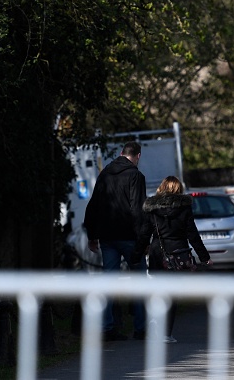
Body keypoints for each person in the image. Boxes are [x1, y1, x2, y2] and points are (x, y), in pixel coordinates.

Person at [134, 176, 213, 343]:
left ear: (162, 187)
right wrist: (204, 257)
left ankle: (154, 320)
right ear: (179, 189)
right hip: (178, 255)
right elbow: (192, 234)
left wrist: (135, 255)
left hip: (157, 254)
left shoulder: (152, 208)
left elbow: (144, 234)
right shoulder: (184, 208)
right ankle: (166, 333)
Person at [84, 141, 147, 341]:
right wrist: (142, 240)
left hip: (107, 237)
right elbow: (137, 210)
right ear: (138, 156)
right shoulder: (136, 176)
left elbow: (93, 205)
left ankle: (106, 327)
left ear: (121, 153)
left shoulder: (105, 174)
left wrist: (92, 235)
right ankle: (141, 328)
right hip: (129, 237)